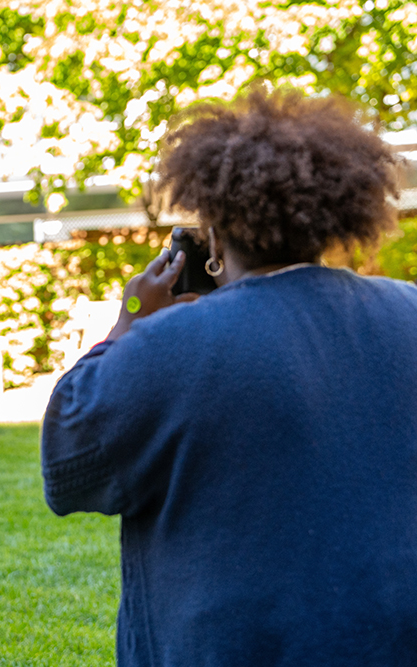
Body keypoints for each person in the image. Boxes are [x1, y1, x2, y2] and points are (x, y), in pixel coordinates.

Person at [41, 86, 417, 666]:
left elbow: (68, 468)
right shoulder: (409, 311)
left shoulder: (167, 346)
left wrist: (130, 320)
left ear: (214, 235)